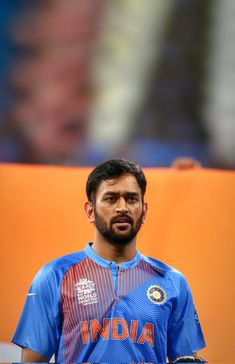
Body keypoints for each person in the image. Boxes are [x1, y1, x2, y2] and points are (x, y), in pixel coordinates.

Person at [12, 159, 206, 363]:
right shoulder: (54, 277)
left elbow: (185, 359)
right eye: (111, 199)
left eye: (131, 199)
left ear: (144, 211)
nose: (122, 208)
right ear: (90, 211)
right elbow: (32, 361)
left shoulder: (173, 282)